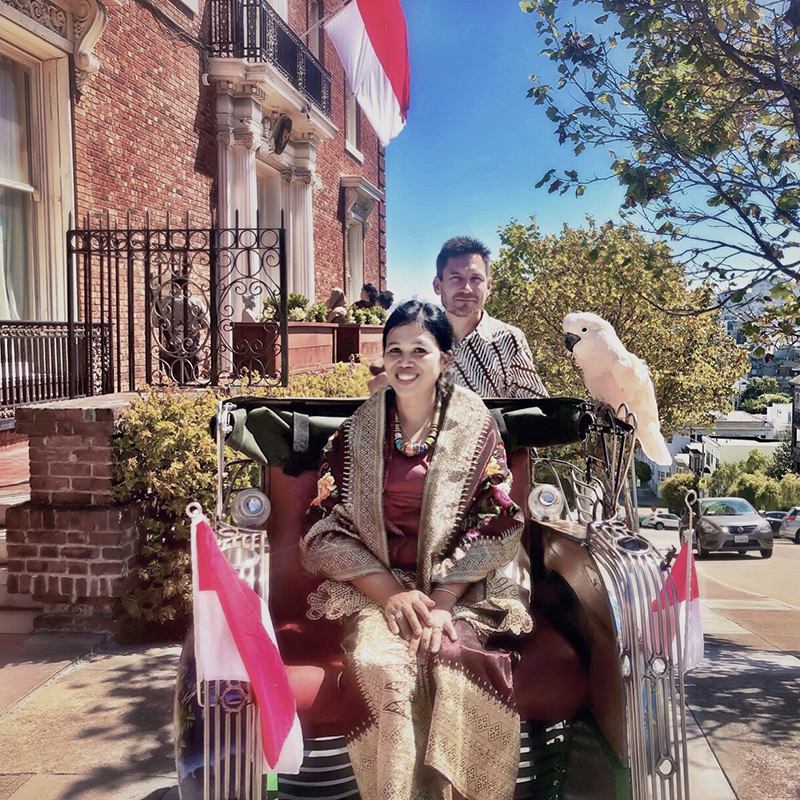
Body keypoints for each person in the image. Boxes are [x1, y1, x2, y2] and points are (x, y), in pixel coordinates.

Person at [301, 300, 531, 800]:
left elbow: (497, 521)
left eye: (419, 350)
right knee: (385, 667)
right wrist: (389, 595)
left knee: (448, 654)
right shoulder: (352, 435)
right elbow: (323, 527)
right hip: (376, 587)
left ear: (444, 359)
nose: (405, 361)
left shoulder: (477, 429)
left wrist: (443, 601)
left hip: (461, 588)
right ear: (382, 359)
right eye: (394, 350)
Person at [433, 236, 548, 399]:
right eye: (456, 278)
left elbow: (534, 410)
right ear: (438, 285)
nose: (466, 288)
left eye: (475, 279)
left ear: (489, 286)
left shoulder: (509, 340)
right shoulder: (421, 339)